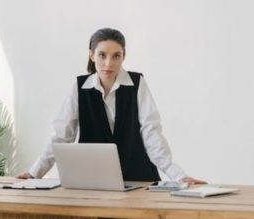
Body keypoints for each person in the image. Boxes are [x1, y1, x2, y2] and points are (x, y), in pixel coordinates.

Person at [17, 28, 206, 184]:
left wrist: (179, 176)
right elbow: (61, 136)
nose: (109, 63)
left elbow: (151, 133)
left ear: (124, 57)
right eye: (102, 55)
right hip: (93, 181)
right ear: (91, 55)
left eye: (116, 56)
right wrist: (34, 174)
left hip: (139, 179)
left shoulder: (137, 83)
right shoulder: (79, 87)